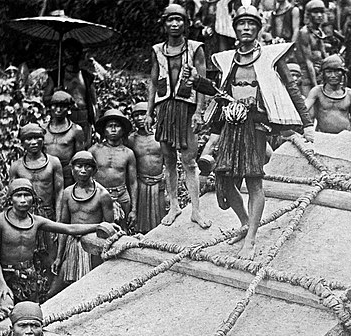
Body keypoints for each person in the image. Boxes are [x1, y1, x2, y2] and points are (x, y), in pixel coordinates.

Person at [191, 1, 314, 259]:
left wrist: (307, 124)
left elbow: (291, 89)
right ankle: (245, 222)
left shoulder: (270, 57)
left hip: (256, 127)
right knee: (223, 184)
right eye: (241, 24)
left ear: (258, 28)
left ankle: (252, 238)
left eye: (251, 24)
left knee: (254, 182)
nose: (246, 28)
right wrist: (197, 83)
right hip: (230, 127)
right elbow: (220, 92)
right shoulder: (228, 60)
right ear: (234, 29)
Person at [0, 179, 112, 307]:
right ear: (10, 199)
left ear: (34, 198)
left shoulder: (36, 221)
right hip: (5, 275)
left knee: (32, 313)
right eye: (18, 195)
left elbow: (69, 229)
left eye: (27, 195)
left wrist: (99, 225)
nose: (23, 200)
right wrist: (1, 283)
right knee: (6, 310)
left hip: (29, 276)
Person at [146, 4, 211, 229]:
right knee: (169, 159)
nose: (175, 24)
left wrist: (200, 112)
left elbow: (201, 83)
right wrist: (149, 112)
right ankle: (174, 206)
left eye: (179, 20)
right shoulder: (157, 50)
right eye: (170, 20)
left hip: (186, 108)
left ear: (186, 23)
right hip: (164, 109)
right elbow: (153, 83)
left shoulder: (195, 48)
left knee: (189, 160)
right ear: (164, 24)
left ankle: (196, 209)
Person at [49, 152, 114, 297]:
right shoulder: (67, 193)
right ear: (72, 169)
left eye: (87, 167)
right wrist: (59, 257)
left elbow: (110, 230)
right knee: (57, 290)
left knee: (91, 289)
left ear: (94, 170)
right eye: (79, 166)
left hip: (93, 248)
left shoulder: (103, 195)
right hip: (72, 245)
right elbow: (63, 227)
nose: (83, 171)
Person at [9, 123, 64, 274]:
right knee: (25, 254)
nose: (33, 142)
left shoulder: (53, 163)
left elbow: (60, 192)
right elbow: (11, 195)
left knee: (50, 256)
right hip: (24, 215)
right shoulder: (16, 166)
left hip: (47, 213)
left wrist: (57, 222)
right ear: (22, 142)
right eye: (29, 139)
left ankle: (50, 291)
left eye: (37, 138)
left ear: (43, 139)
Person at [43, 38, 98, 146]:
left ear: (80, 54)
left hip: (84, 116)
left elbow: (94, 103)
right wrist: (55, 95)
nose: (72, 54)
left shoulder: (87, 77)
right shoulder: (56, 76)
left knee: (84, 148)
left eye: (75, 51)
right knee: (66, 147)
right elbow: (46, 99)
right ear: (63, 54)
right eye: (68, 51)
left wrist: (96, 125)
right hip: (64, 117)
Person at [89, 109, 138, 229]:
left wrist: (134, 209)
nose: (113, 129)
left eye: (117, 126)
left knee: (123, 230)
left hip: (121, 195)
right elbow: (84, 174)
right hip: (100, 195)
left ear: (123, 130)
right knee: (99, 230)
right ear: (104, 130)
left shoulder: (128, 153)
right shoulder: (94, 150)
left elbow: (133, 182)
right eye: (110, 126)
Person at [127, 102, 167, 234]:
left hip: (159, 182)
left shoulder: (161, 135)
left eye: (143, 114)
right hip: (141, 183)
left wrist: (167, 183)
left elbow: (170, 162)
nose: (139, 118)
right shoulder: (131, 139)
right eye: (136, 115)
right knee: (141, 222)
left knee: (162, 219)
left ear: (151, 115)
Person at [306, 54, 351, 133]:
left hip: (344, 138)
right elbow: (304, 109)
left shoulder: (350, 95)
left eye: (337, 72)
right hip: (323, 136)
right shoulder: (317, 92)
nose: (333, 76)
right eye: (329, 72)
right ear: (323, 74)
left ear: (342, 73)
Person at [43, 90, 86, 188]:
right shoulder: (43, 129)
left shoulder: (76, 130)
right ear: (50, 107)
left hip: (66, 175)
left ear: (68, 108)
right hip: (46, 172)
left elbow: (80, 158)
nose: (58, 109)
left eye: (62, 106)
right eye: (55, 106)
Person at [295, 0, 328, 96]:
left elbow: (323, 54)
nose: (319, 15)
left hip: (319, 71)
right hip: (307, 75)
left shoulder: (318, 31)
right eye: (315, 12)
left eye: (321, 12)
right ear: (309, 14)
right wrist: (315, 86)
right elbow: (308, 61)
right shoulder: (304, 32)